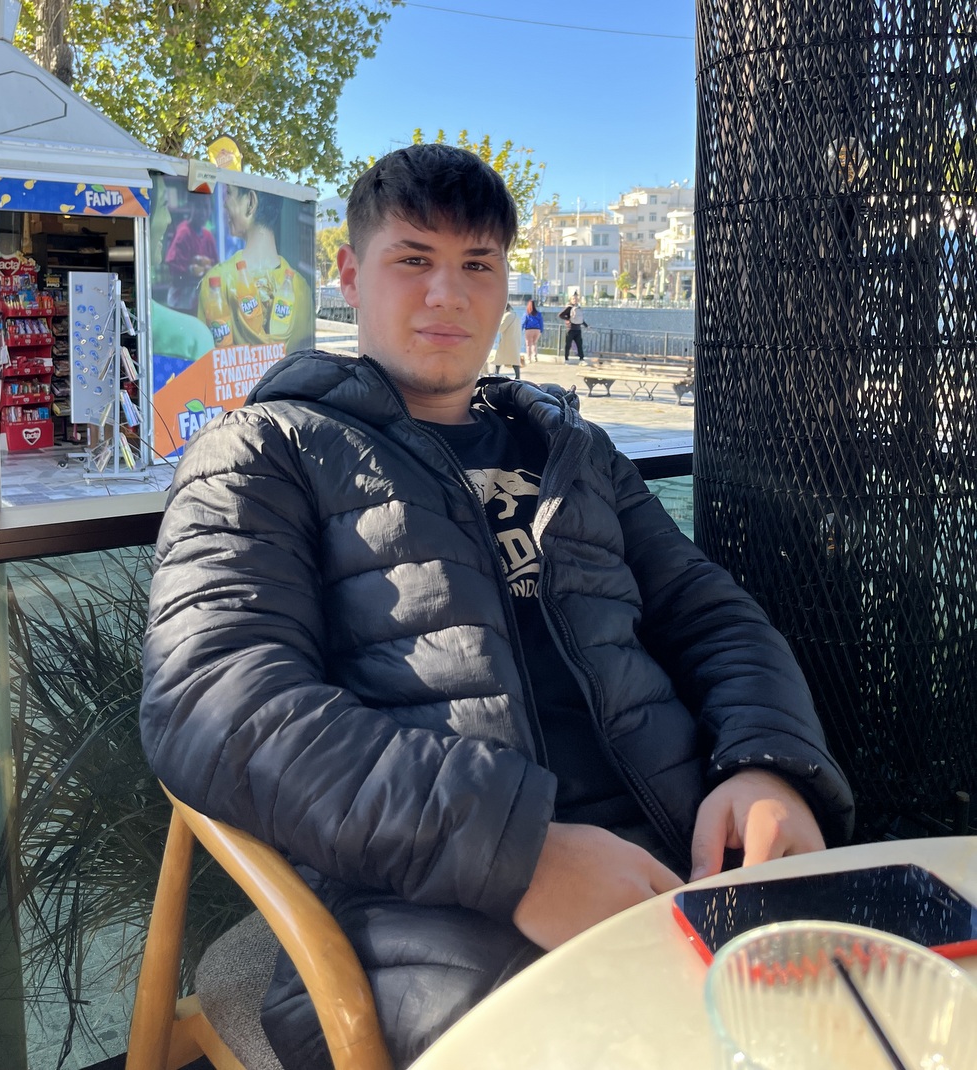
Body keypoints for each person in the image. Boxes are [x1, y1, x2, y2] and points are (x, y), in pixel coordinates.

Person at [140, 143, 854, 1070]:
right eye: (413, 259)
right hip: (438, 907)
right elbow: (216, 702)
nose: (448, 293)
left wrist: (767, 766)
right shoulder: (265, 451)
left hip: (687, 850)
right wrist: (518, 852)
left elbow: (710, 614)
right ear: (349, 274)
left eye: (477, 265)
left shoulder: (572, 450)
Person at [197, 183, 313, 355]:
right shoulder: (302, 288)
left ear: (251, 203)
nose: (224, 203)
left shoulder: (216, 282)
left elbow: (204, 357)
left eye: (229, 193)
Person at [163, 196, 218, 314]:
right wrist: (193, 270)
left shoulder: (208, 236)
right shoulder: (184, 233)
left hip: (201, 303)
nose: (202, 212)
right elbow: (174, 272)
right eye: (198, 206)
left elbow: (217, 268)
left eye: (206, 207)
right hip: (181, 303)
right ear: (190, 207)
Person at [492, 302, 522, 379]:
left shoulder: (507, 316)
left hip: (507, 341)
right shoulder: (515, 315)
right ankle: (517, 377)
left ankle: (496, 374)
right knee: (514, 360)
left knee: (499, 359)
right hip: (514, 341)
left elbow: (501, 328)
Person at [559, 292, 588, 362]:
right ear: (571, 300)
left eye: (576, 299)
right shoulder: (569, 308)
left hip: (578, 329)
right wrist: (568, 319)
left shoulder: (578, 308)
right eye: (573, 299)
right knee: (568, 345)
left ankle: (581, 359)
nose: (575, 300)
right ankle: (566, 358)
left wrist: (586, 325)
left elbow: (580, 319)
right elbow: (560, 315)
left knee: (579, 345)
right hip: (570, 329)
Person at [522, 297, 543, 362]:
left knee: (528, 345)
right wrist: (541, 330)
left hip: (529, 329)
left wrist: (521, 329)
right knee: (534, 343)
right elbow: (541, 322)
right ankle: (535, 357)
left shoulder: (527, 314)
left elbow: (523, 322)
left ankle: (529, 359)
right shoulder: (538, 314)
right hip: (537, 330)